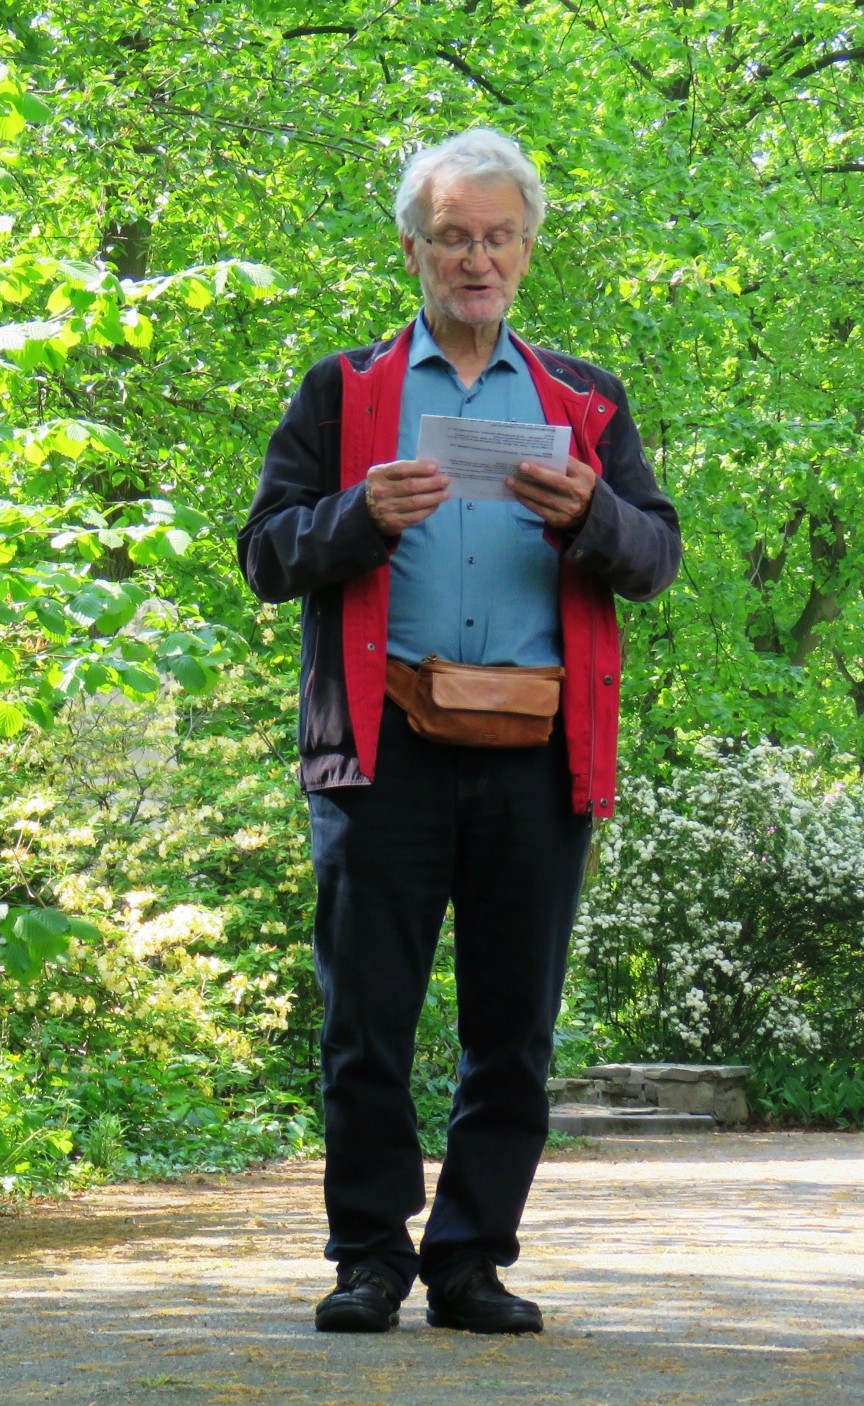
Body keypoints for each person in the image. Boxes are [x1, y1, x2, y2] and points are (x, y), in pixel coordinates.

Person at [237, 129, 680, 1336]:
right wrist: (353, 515)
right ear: (411, 248)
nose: (473, 258)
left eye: (495, 236)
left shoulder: (582, 400)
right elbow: (265, 555)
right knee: (364, 1021)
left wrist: (593, 511)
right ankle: (367, 1259)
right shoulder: (343, 390)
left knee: (512, 1030)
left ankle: (471, 1259)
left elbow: (652, 559)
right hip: (382, 748)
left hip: (539, 753)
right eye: (451, 236)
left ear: (527, 249)